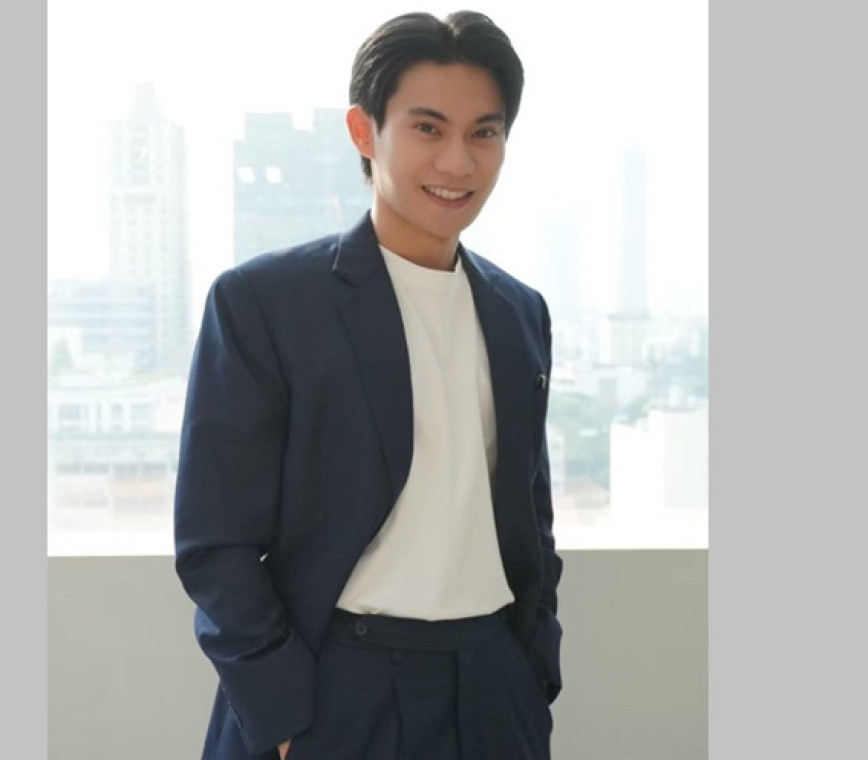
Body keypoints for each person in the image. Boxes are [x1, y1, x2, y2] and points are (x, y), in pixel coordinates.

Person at [174, 10, 563, 760]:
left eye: (484, 132)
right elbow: (215, 541)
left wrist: (533, 673)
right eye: (428, 128)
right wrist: (283, 714)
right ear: (364, 131)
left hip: (492, 687)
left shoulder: (520, 312)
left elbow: (531, 517)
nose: (457, 161)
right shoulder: (266, 303)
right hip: (335, 689)